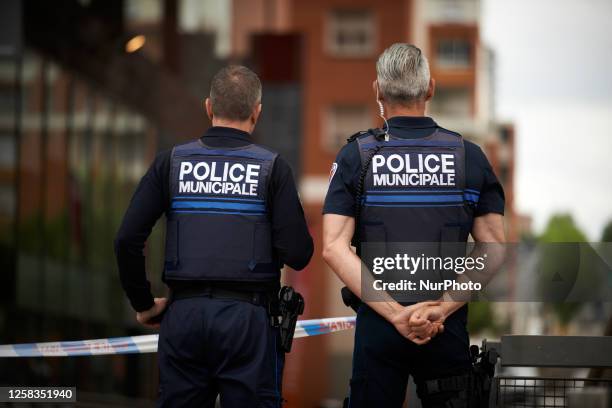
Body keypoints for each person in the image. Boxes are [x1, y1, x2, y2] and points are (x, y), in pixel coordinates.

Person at [114, 65, 313, 408]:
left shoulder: (171, 163)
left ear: (209, 107)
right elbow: (298, 253)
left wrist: (144, 304)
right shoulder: (272, 168)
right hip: (248, 321)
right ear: (257, 112)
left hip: (184, 316)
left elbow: (127, 239)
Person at [322, 43, 506, 407]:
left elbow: (332, 246)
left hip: (378, 325)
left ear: (377, 90)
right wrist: (441, 307)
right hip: (445, 326)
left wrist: (395, 314)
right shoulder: (468, 157)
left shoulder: (356, 156)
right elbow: (495, 247)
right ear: (431, 88)